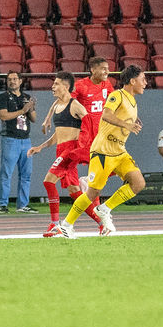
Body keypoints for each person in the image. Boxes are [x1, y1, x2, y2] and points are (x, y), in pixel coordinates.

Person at [55, 65, 147, 238]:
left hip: (119, 152)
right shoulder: (116, 95)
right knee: (92, 192)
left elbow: (121, 116)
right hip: (103, 152)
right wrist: (127, 124)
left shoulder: (132, 100)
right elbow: (106, 115)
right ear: (133, 81)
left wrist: (130, 121)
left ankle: (104, 209)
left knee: (138, 183)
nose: (146, 83)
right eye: (143, 79)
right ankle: (66, 225)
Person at [41, 57, 117, 232]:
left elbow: (113, 104)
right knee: (89, 180)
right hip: (85, 139)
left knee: (99, 177)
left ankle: (93, 219)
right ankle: (97, 219)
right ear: (92, 70)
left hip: (102, 137)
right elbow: (63, 99)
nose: (107, 72)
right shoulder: (81, 86)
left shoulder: (108, 85)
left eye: (108, 69)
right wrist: (47, 118)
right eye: (103, 69)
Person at [27, 72, 95, 237]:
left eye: (56, 84)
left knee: (49, 181)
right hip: (61, 149)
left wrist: (83, 146)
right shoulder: (57, 106)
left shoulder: (76, 105)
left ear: (65, 87)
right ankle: (102, 222)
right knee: (74, 191)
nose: (52, 86)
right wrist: (41, 147)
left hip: (70, 151)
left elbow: (90, 124)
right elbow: (58, 135)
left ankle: (55, 224)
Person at [0, 71, 37, 214]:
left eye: (14, 79)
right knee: (6, 173)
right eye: (9, 79)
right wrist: (22, 110)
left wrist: (30, 109)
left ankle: (23, 205)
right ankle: (2, 204)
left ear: (20, 81)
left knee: (26, 174)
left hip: (26, 139)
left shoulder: (27, 97)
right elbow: (3, 116)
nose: (12, 81)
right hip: (10, 139)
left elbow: (34, 118)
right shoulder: (3, 97)